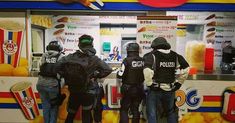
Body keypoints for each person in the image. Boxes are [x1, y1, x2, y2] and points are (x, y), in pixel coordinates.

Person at [56, 34, 112, 123]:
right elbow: (108, 69)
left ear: (79, 45)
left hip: (74, 91)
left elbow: (57, 66)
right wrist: (95, 75)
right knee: (86, 114)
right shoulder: (94, 59)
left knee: (70, 115)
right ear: (92, 45)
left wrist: (66, 75)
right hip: (88, 91)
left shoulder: (70, 57)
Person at [143, 37, 189, 123]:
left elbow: (147, 71)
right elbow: (186, 68)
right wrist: (179, 83)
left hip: (155, 90)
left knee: (152, 114)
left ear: (155, 46)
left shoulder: (152, 55)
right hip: (170, 89)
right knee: (170, 113)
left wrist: (150, 84)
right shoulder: (175, 55)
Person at [36, 40, 64, 123]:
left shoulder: (44, 55)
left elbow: (41, 66)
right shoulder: (61, 56)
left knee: (45, 106)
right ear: (60, 48)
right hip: (53, 85)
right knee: (54, 106)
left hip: (40, 84)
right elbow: (62, 71)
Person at [117, 43, 145, 123]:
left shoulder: (126, 60)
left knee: (124, 109)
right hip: (139, 88)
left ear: (128, 50)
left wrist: (118, 73)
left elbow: (120, 74)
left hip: (128, 89)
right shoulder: (142, 60)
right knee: (135, 109)